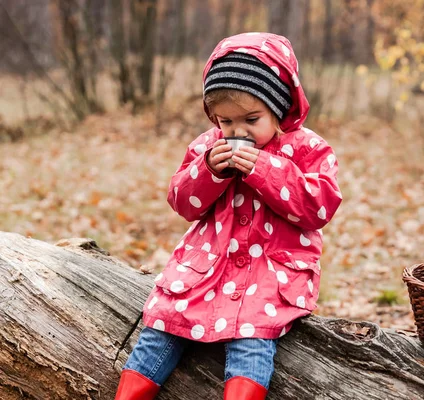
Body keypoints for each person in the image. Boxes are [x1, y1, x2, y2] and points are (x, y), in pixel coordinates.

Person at [114, 32, 343, 400]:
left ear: (279, 108)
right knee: (161, 325)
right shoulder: (208, 146)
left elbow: (319, 207)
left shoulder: (307, 148)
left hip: (270, 273)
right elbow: (182, 202)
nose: (238, 132)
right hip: (206, 266)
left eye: (252, 119)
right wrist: (209, 171)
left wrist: (265, 169)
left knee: (252, 340)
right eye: (225, 121)